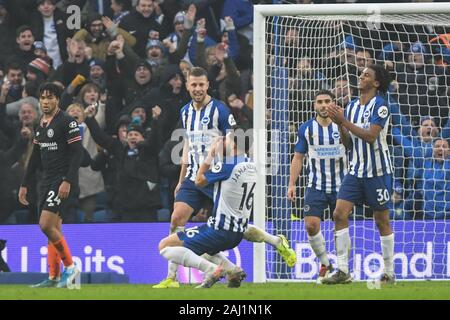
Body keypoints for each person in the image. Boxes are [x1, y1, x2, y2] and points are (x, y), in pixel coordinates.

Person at [154, 66, 296, 288]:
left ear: (208, 85)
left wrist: (233, 167)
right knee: (176, 219)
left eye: (202, 84)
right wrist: (182, 179)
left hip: (216, 176)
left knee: (232, 224)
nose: (198, 89)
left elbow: (233, 140)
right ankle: (172, 278)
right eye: (194, 84)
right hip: (193, 176)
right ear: (188, 85)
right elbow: (187, 146)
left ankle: (275, 241)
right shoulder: (185, 111)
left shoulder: (220, 110)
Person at [324, 65, 395, 285]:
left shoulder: (381, 106)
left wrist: (343, 121)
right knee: (338, 214)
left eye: (366, 75)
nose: (361, 76)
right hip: (355, 170)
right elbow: (348, 145)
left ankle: (389, 272)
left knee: (381, 220)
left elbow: (371, 136)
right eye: (361, 73)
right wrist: (340, 125)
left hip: (378, 171)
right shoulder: (352, 107)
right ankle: (343, 270)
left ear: (375, 83)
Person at [159, 128, 254, 289]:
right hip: (237, 232)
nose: (224, 141)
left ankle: (211, 269)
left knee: (165, 246)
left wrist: (210, 154)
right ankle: (232, 270)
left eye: (228, 139)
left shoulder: (227, 167)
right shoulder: (251, 165)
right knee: (201, 247)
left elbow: (198, 181)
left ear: (235, 145)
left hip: (219, 230)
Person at [18, 82, 83, 288]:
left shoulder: (66, 121)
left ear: (57, 99)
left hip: (61, 180)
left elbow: (77, 153)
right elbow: (35, 157)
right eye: (43, 98)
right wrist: (25, 184)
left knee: (45, 224)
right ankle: (54, 277)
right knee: (53, 228)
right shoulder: (41, 125)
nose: (46, 102)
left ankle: (71, 268)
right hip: (46, 181)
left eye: (50, 98)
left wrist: (68, 180)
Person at [288, 90, 346, 284]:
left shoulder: (342, 126)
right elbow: (298, 157)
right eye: (319, 102)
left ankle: (343, 269)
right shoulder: (306, 129)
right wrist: (292, 184)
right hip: (316, 185)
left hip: (342, 186)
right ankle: (326, 263)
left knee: (340, 227)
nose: (323, 105)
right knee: (311, 225)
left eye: (327, 101)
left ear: (333, 103)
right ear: (314, 105)